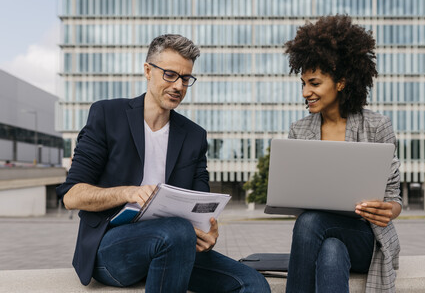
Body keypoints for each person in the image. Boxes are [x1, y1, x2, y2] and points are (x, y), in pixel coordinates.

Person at [56, 34, 270, 293]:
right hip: (111, 248)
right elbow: (72, 195)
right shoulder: (107, 115)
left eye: (186, 78)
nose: (179, 86)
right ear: (148, 71)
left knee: (253, 284)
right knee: (177, 231)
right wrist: (128, 192)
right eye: (170, 74)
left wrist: (208, 233)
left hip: (176, 246)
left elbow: (201, 205)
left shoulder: (194, 136)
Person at [283, 15, 402, 293]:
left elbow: (394, 199)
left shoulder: (377, 126)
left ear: (340, 82)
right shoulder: (299, 131)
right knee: (331, 252)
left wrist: (387, 211)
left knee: (311, 222)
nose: (305, 92)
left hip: (366, 238)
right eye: (302, 84)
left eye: (314, 83)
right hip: (321, 235)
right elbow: (294, 199)